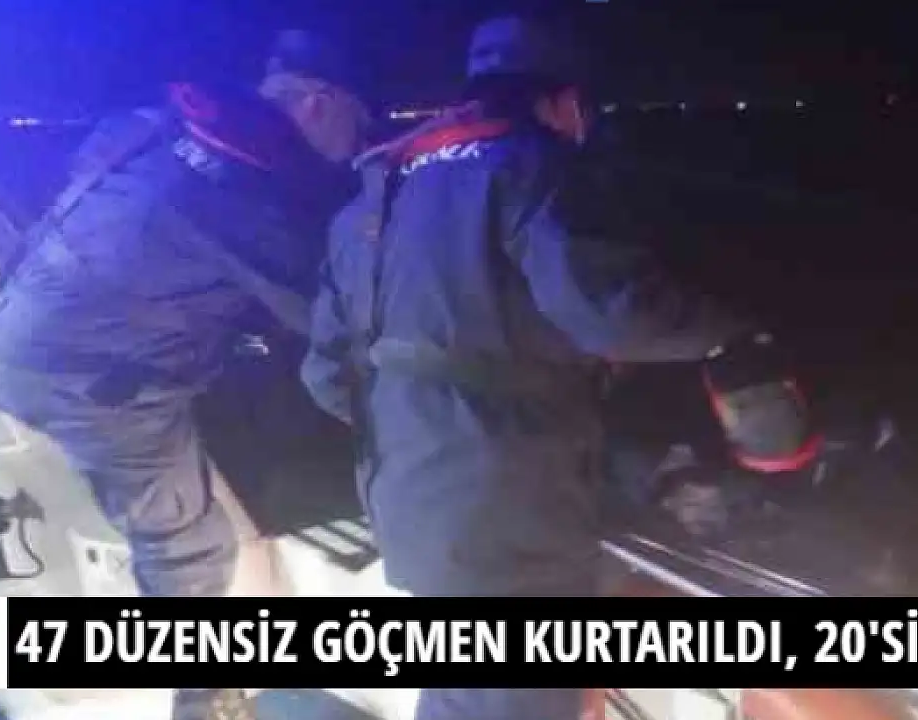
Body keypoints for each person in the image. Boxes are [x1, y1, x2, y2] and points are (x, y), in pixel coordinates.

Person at [302, 14, 743, 720]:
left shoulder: (375, 192)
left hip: (407, 499)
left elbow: (326, 376)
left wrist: (424, 429)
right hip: (507, 511)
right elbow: (615, 315)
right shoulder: (538, 166)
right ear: (566, 102)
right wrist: (733, 334)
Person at [0, 29, 371, 720]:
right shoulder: (244, 191)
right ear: (319, 103)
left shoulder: (159, 126)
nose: (355, 143)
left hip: (30, 331)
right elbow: (331, 313)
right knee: (187, 544)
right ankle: (207, 699)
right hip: (95, 378)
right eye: (358, 123)